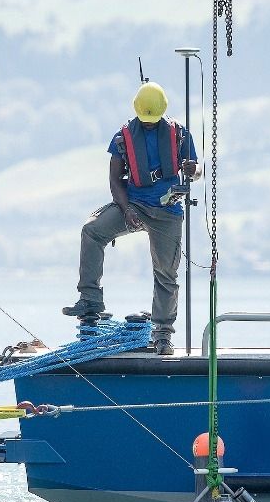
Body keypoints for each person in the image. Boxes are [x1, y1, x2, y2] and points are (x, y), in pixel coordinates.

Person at [62, 82, 199, 356]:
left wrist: (192, 169)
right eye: (145, 121)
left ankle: (162, 335)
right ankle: (89, 300)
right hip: (133, 204)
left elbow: (194, 173)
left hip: (166, 211)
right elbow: (114, 180)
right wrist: (126, 210)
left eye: (153, 121)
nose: (149, 125)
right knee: (92, 231)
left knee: (166, 274)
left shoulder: (180, 135)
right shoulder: (122, 138)